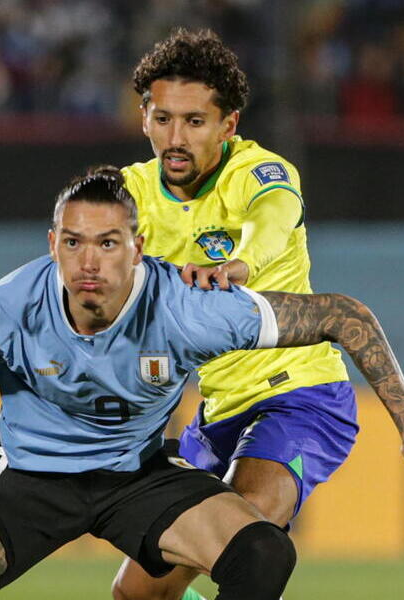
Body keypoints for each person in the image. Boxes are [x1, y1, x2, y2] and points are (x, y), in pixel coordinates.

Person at [0, 168, 404, 600]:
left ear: (137, 247)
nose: (89, 262)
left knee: (262, 553)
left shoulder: (184, 307)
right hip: (28, 473)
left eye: (108, 243)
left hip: (133, 475)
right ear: (53, 245)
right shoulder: (11, 304)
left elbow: (343, 316)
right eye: (74, 243)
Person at [116, 29, 362, 600]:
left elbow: (272, 218)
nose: (175, 137)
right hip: (216, 411)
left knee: (243, 530)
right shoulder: (131, 193)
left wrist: (242, 262)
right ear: (144, 118)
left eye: (195, 121)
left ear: (228, 125)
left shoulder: (258, 172)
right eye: (163, 118)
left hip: (300, 395)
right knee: (138, 594)